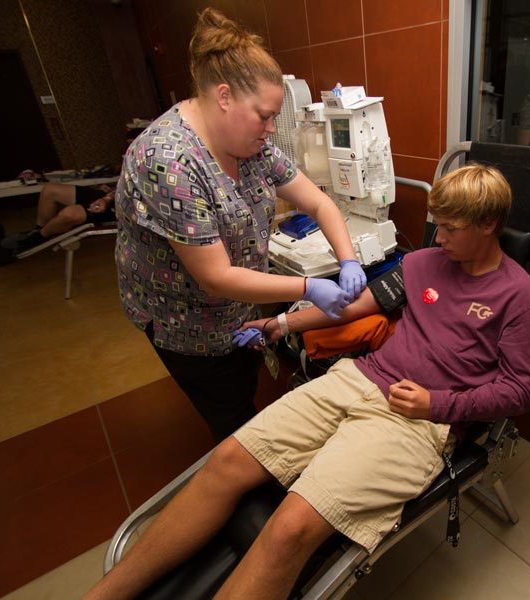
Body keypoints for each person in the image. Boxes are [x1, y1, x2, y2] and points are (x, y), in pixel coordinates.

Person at [85, 164, 530, 600]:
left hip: (419, 422)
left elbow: (520, 391)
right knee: (227, 459)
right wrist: (283, 326)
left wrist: (437, 404)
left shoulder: (522, 300)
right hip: (358, 379)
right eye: (437, 224)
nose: (439, 236)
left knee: (290, 527)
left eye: (452, 228)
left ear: (489, 225)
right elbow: (356, 307)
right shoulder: (423, 263)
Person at [115, 8, 368, 441]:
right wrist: (309, 288)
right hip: (184, 320)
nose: (272, 129)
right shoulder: (167, 161)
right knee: (229, 412)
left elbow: (320, 204)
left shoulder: (253, 146)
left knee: (242, 382)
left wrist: (348, 261)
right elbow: (215, 277)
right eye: (264, 116)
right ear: (225, 96)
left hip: (237, 307)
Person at [1, 183, 116, 252]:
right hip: (111, 195)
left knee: (69, 214)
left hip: (120, 206)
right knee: (49, 190)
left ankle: (38, 237)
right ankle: (38, 230)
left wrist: (107, 200)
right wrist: (110, 192)